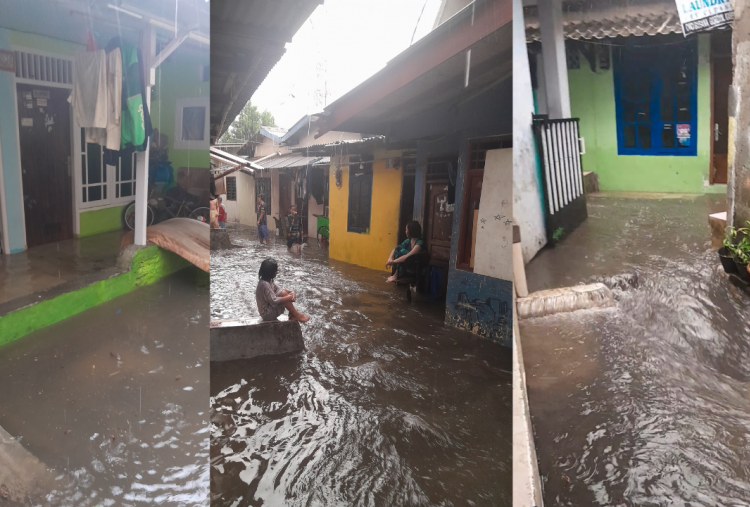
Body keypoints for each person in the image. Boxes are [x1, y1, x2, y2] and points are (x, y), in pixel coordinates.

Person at [255, 258, 310, 322]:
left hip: (269, 309)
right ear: (271, 273)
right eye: (275, 271)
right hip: (267, 314)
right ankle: (295, 314)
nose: (277, 272)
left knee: (283, 292)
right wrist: (289, 298)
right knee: (283, 294)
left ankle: (293, 313)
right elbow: (274, 301)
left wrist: (291, 292)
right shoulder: (265, 284)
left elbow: (279, 288)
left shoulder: (269, 281)